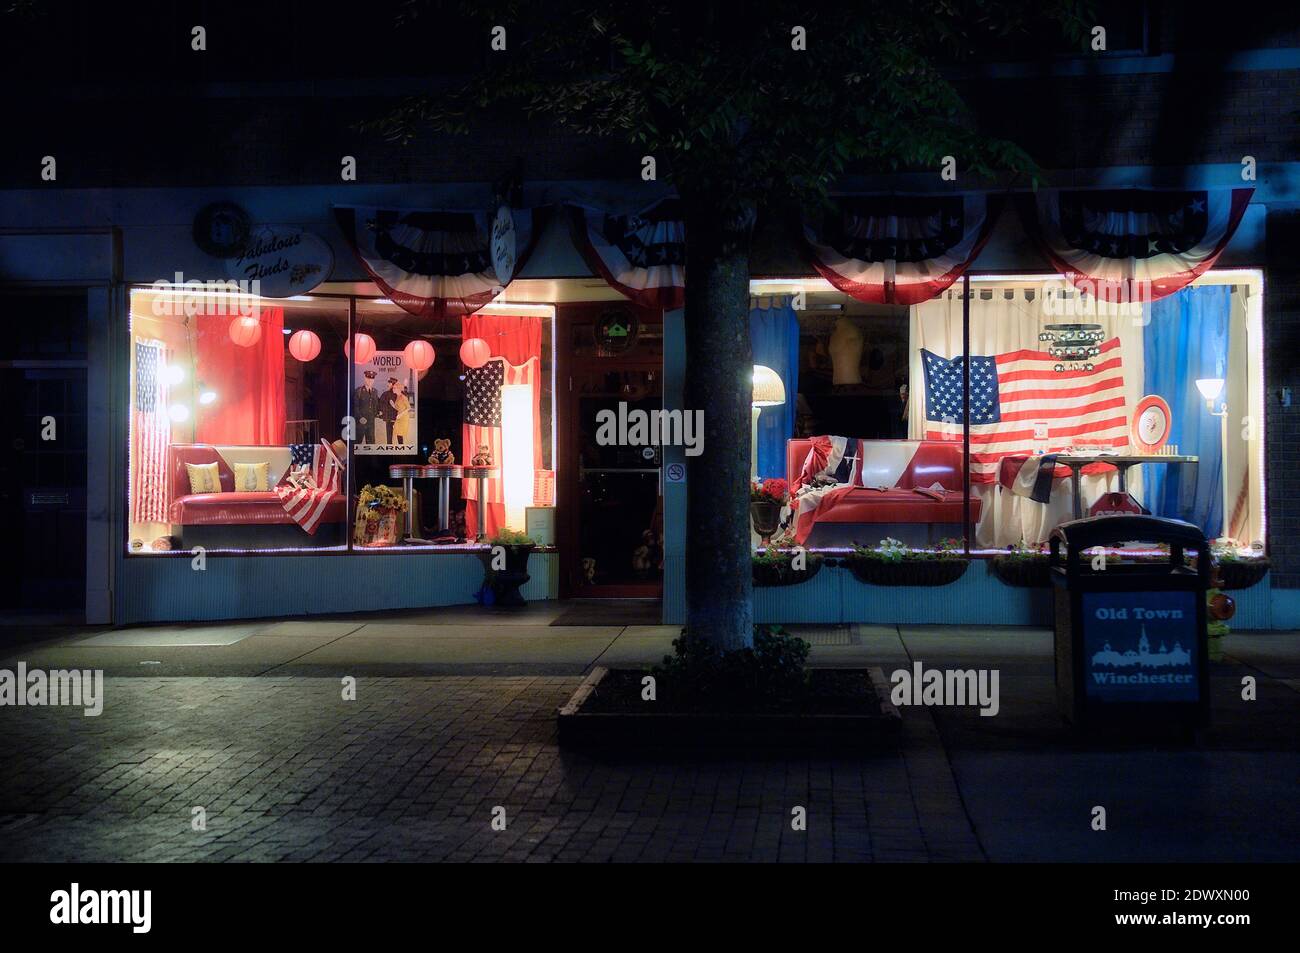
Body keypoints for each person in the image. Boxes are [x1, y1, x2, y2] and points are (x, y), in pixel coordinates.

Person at [353, 370, 380, 444]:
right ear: (365, 378)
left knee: (371, 443)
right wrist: (360, 417)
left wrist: (378, 413)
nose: (370, 380)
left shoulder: (375, 391)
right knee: (357, 443)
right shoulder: (359, 391)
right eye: (368, 378)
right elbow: (355, 406)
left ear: (373, 380)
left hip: (371, 422)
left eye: (372, 379)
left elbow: (376, 405)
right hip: (360, 422)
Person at [379, 377, 401, 445]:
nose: (388, 384)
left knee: (394, 433)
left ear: (393, 384)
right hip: (391, 417)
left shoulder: (396, 393)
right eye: (388, 382)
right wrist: (381, 411)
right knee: (396, 433)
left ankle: (396, 445)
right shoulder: (386, 394)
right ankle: (400, 446)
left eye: (389, 383)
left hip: (394, 417)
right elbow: (380, 404)